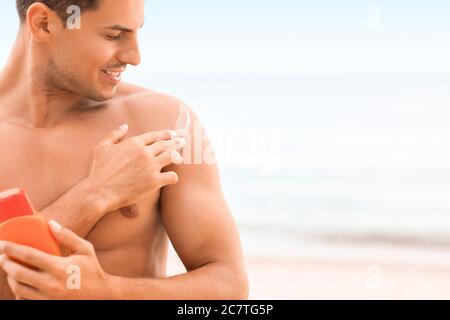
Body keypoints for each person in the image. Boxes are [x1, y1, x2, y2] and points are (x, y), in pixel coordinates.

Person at [0, 0, 248, 300]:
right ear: (43, 23)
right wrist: (94, 195)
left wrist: (108, 290)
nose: (134, 56)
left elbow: (230, 288)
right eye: (114, 35)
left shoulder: (166, 123)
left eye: (136, 32)